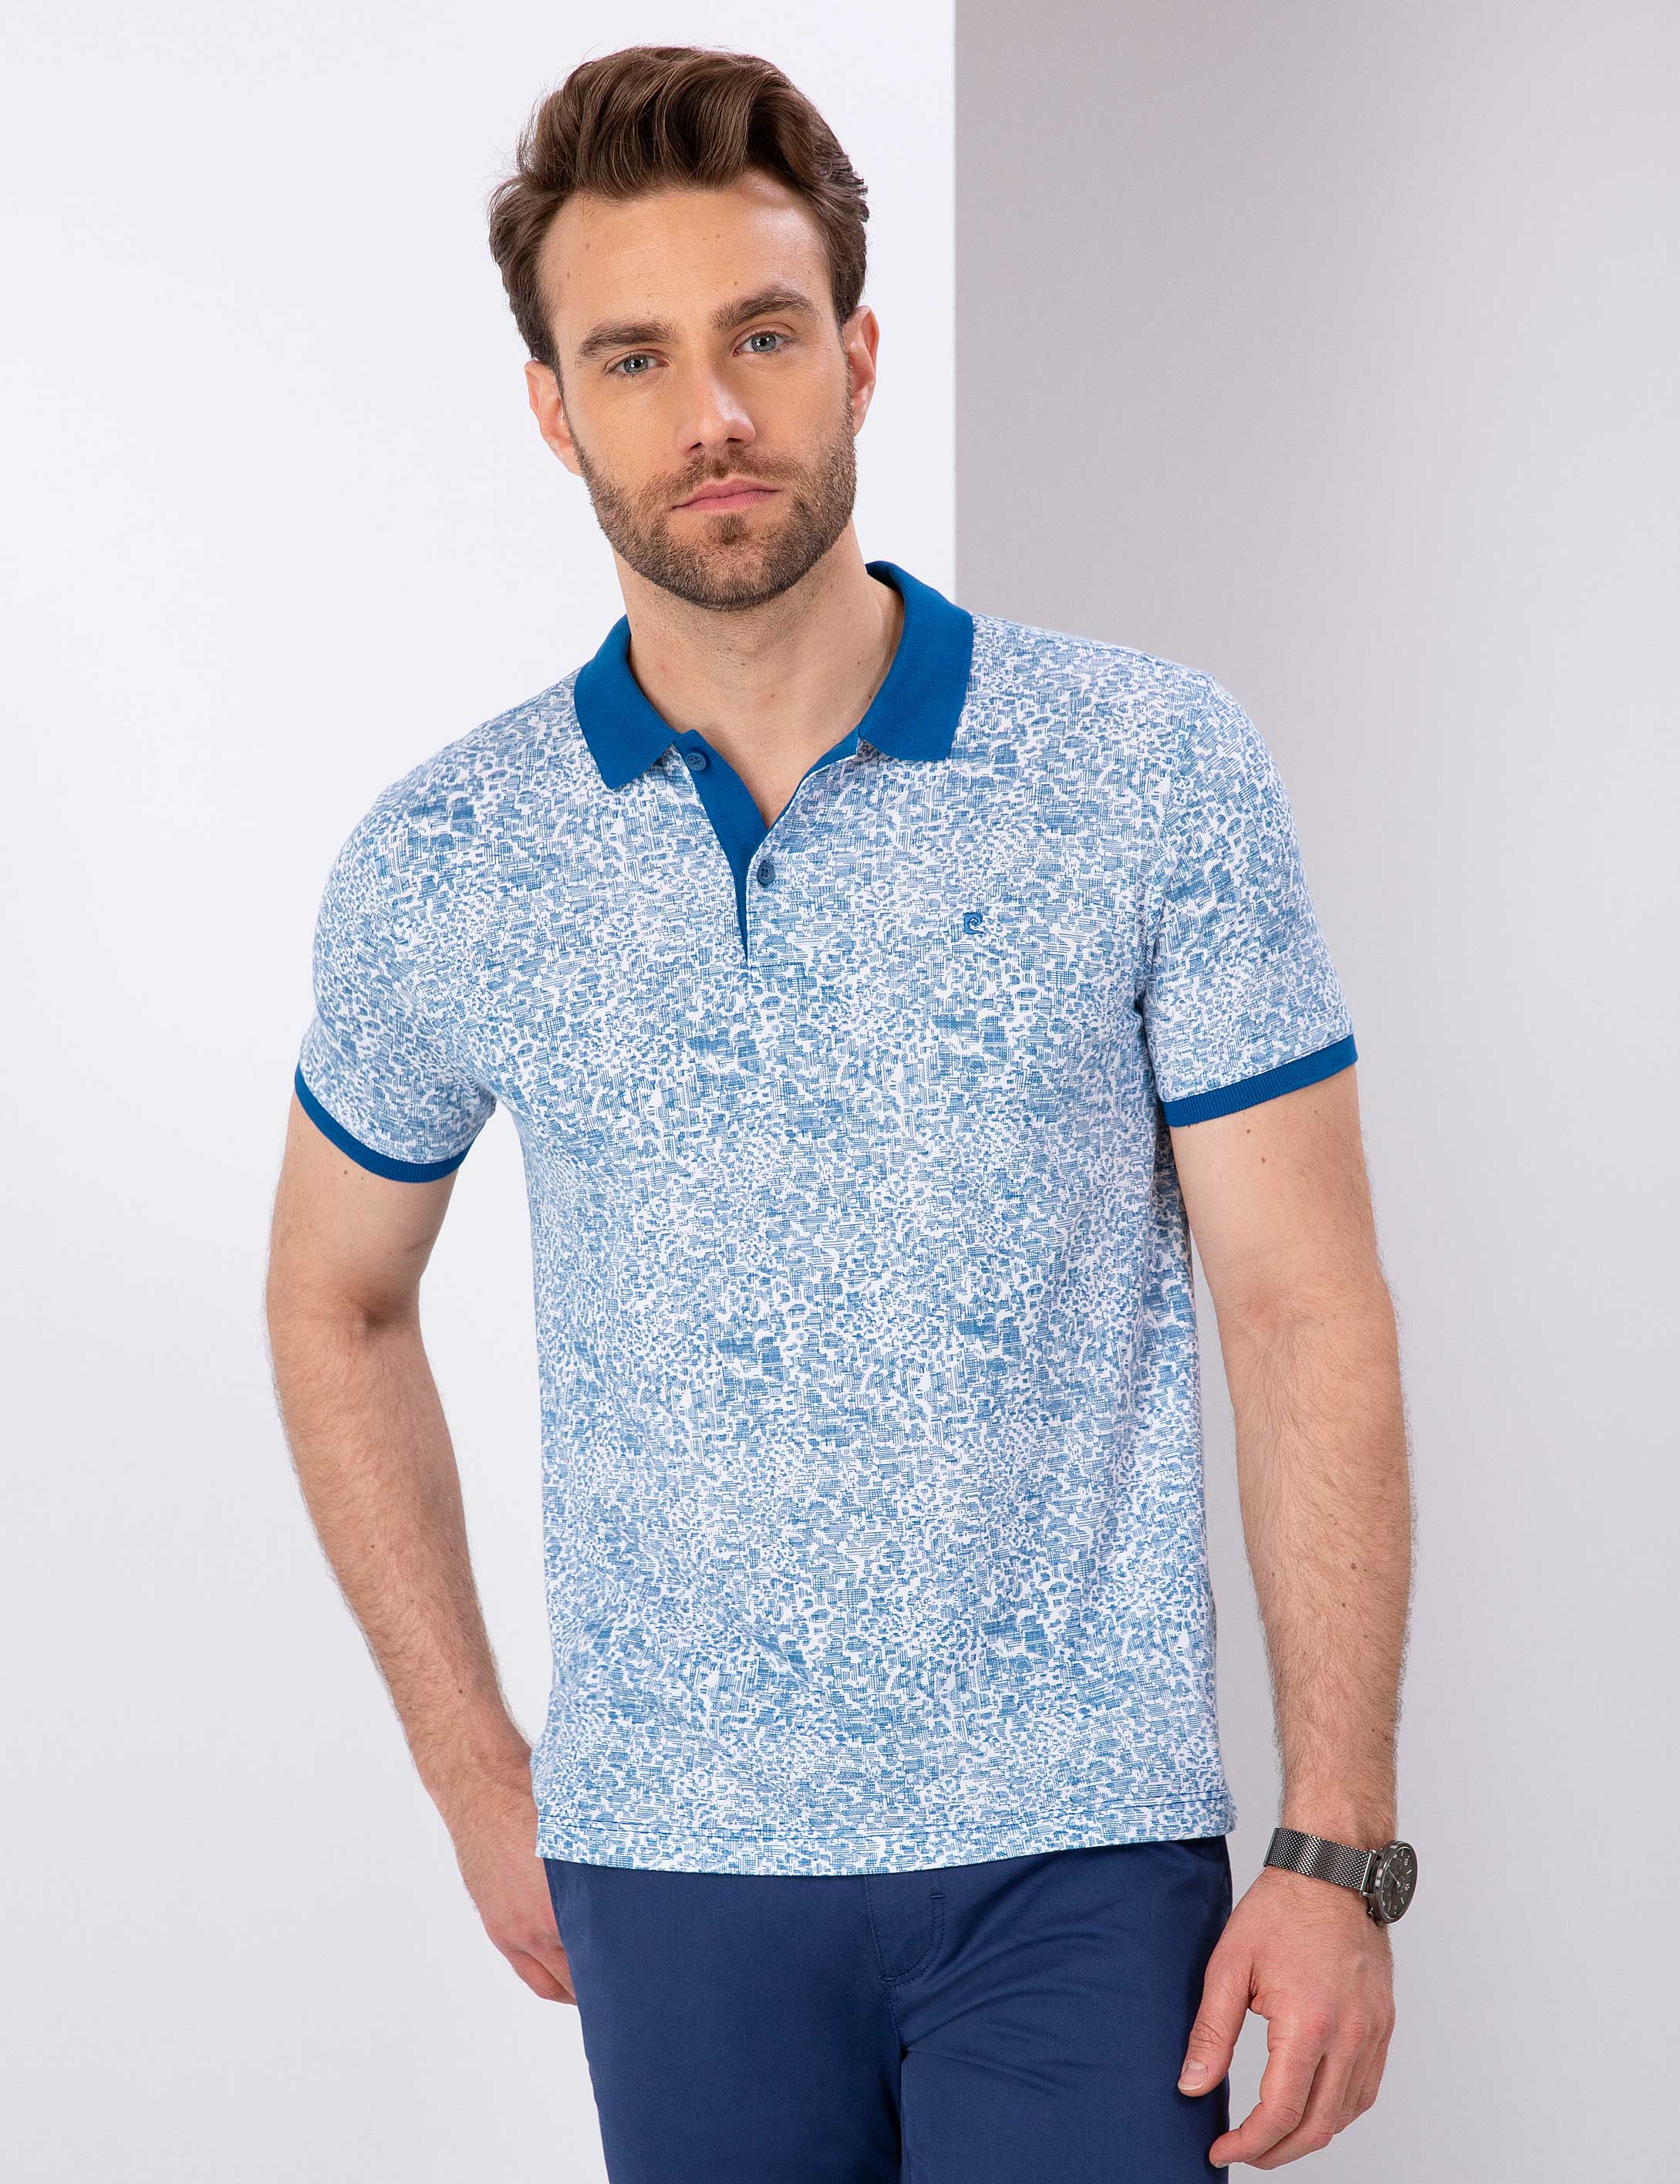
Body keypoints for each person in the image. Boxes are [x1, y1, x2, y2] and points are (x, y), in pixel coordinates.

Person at [264, 42, 1415, 2181]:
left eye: (763, 334)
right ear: (555, 409)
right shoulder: (449, 860)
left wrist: (1335, 1848)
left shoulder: (1149, 770)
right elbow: (334, 1298)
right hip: (671, 1869)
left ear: (857, 356)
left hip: (1078, 1855)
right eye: (633, 357)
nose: (710, 412)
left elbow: (1302, 1308)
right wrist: (474, 1770)